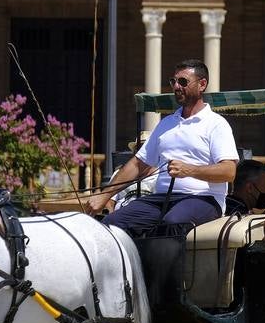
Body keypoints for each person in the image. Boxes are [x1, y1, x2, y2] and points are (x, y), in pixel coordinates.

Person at [87, 59, 238, 232]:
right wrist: (103, 196)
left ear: (202, 84)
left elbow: (229, 171)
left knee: (173, 222)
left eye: (183, 82)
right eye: (173, 81)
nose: (176, 87)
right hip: (162, 198)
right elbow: (138, 164)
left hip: (204, 199)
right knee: (113, 222)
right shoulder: (166, 123)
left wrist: (189, 170)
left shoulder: (216, 124)